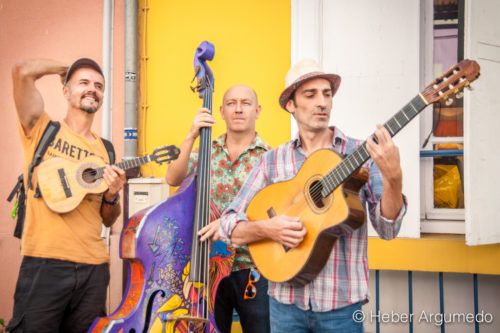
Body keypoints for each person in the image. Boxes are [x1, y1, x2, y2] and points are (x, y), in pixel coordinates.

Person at [219, 59, 407, 333]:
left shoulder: (362, 154)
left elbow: (388, 229)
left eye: (327, 94)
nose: (323, 102)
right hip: (283, 306)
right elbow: (228, 225)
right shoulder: (272, 160)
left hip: (341, 309)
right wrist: (267, 229)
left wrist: (394, 178)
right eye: (311, 94)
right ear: (290, 105)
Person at [7, 58, 126, 333]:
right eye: (83, 83)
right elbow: (21, 72)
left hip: (94, 269)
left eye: (98, 86)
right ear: (65, 91)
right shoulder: (42, 130)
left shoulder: (106, 152)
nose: (92, 89)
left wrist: (112, 195)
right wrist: (65, 68)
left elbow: (108, 220)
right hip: (44, 264)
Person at [165, 84, 272, 333]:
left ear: (257, 110)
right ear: (221, 112)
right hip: (207, 267)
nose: (238, 109)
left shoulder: (271, 158)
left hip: (253, 267)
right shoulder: (205, 151)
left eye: (245, 103)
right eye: (232, 103)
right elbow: (172, 177)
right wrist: (192, 134)